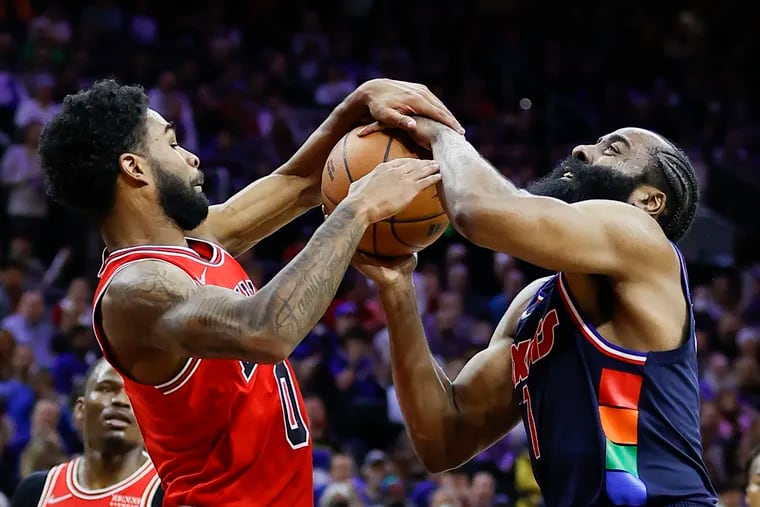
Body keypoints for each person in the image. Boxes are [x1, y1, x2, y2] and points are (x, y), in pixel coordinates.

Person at [37, 78, 459, 506]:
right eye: (173, 144)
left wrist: (360, 102)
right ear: (135, 168)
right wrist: (357, 208)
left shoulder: (197, 241)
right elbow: (267, 331)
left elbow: (299, 182)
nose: (191, 156)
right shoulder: (135, 291)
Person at [354, 119, 717, 506]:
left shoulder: (642, 237)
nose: (581, 151)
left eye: (612, 150)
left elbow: (478, 212)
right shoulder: (534, 302)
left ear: (649, 201)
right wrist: (397, 288)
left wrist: (442, 135)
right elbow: (445, 439)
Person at [10, 359, 163, 506]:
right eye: (106, 388)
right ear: (80, 410)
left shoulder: (170, 493)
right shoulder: (36, 491)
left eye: (135, 392)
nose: (121, 400)